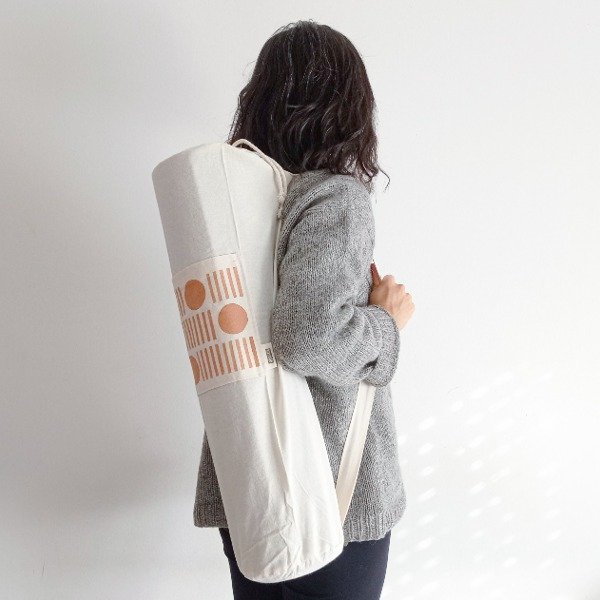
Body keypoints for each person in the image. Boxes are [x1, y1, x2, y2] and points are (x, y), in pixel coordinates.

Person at [196, 19, 416, 599]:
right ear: (351, 107)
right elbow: (308, 336)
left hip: (248, 481)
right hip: (330, 498)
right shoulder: (334, 197)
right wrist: (386, 323)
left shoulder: (233, 205)